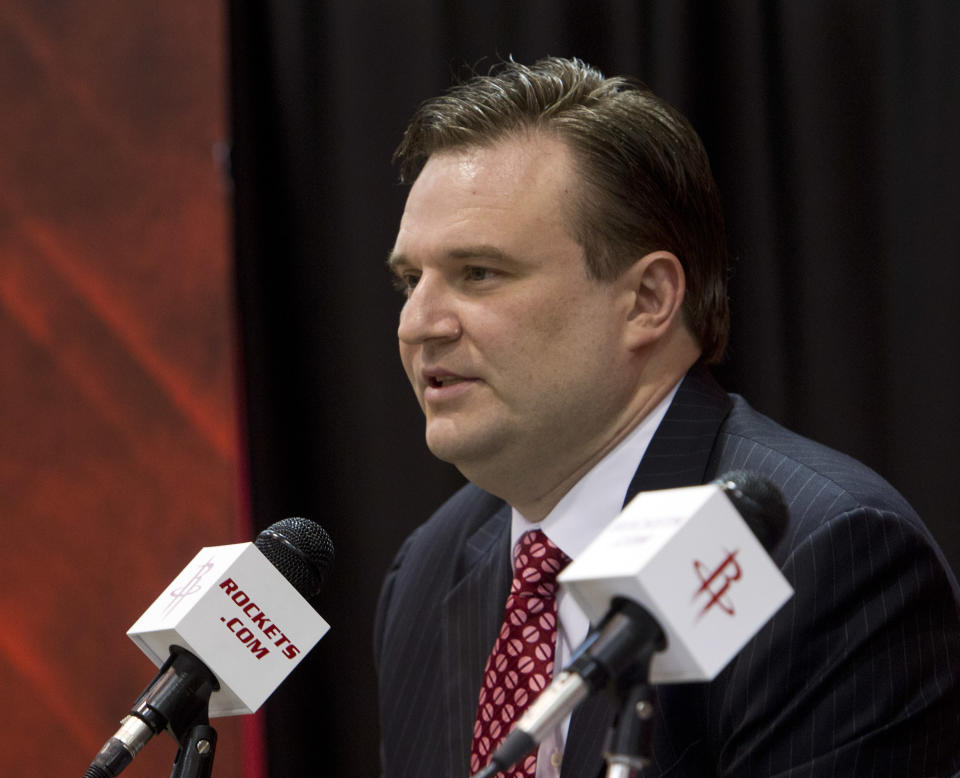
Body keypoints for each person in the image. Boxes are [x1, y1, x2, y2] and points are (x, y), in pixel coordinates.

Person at [373, 57, 960, 777]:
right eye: (410, 280)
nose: (418, 323)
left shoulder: (818, 555)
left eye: (479, 273)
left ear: (648, 299)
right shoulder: (429, 571)